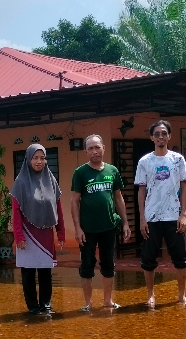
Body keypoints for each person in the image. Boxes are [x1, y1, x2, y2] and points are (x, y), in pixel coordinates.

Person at [70, 134, 131, 311]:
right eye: (90, 148)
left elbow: (119, 198)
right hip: (87, 228)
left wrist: (126, 222)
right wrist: (77, 228)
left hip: (109, 226)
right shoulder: (80, 173)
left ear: (103, 147)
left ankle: (107, 301)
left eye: (97, 147)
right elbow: (74, 201)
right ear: (86, 151)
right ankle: (88, 303)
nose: (94, 151)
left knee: (108, 264)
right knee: (87, 264)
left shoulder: (112, 171)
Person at [135, 119, 186, 308]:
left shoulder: (177, 160)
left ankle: (181, 295)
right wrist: (142, 218)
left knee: (181, 259)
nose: (161, 136)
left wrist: (183, 214)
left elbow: (185, 187)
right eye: (157, 134)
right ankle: (151, 295)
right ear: (152, 137)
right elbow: (141, 191)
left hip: (173, 217)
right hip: (152, 217)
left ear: (169, 136)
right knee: (148, 259)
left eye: (164, 133)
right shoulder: (145, 161)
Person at [11, 143, 65, 315]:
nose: (39, 161)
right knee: (28, 273)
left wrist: (61, 232)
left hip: (46, 234)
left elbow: (58, 208)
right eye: (35, 158)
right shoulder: (20, 182)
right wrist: (19, 236)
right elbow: (16, 212)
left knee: (45, 272)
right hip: (27, 234)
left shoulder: (51, 180)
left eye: (42, 158)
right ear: (28, 159)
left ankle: (46, 305)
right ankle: (33, 307)